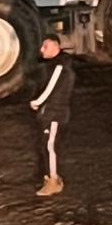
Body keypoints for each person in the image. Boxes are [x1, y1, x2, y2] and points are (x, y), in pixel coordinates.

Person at [29, 35, 75, 197]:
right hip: (50, 112)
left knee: (50, 147)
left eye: (45, 46)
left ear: (56, 47)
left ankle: (53, 181)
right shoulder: (55, 65)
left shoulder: (60, 67)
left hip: (55, 113)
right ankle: (50, 176)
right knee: (46, 146)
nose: (42, 50)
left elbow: (50, 88)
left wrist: (36, 102)